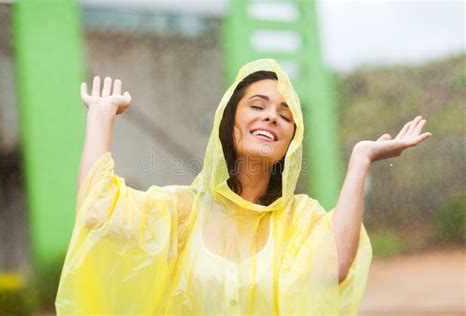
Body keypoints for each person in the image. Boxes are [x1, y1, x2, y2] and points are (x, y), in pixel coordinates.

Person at [56, 59, 432, 315]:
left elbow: (333, 268)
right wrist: (101, 116)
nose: (272, 115)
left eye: (286, 115)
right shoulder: (181, 212)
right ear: (229, 119)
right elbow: (97, 214)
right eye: (258, 106)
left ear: (291, 141)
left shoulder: (298, 220)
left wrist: (361, 159)